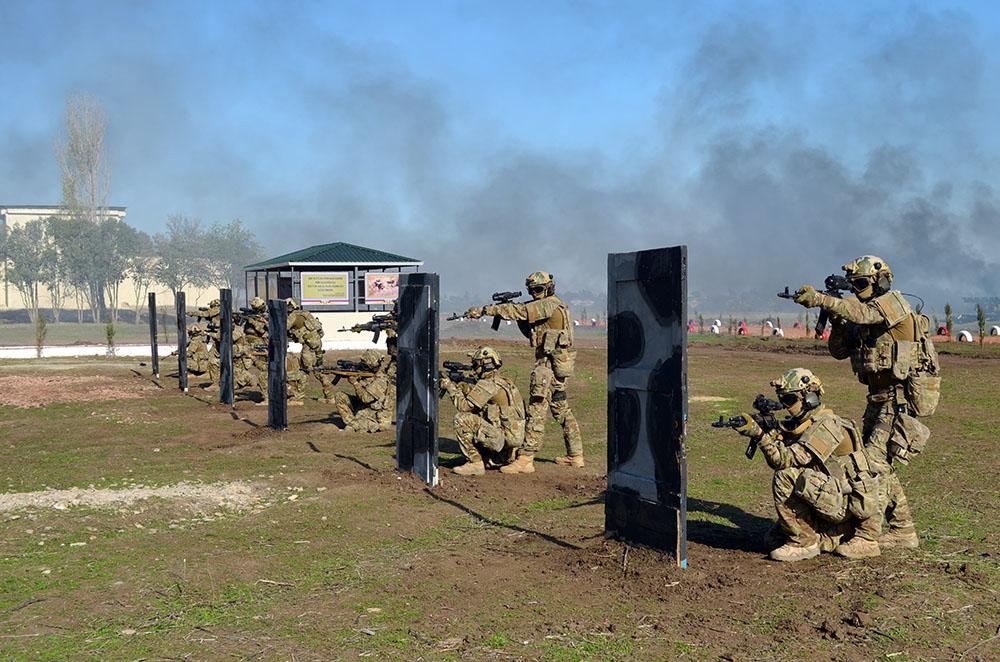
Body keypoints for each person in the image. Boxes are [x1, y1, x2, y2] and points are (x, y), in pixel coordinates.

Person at [792, 256, 939, 549]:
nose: (858, 290)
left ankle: (868, 535)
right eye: (854, 286)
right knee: (876, 464)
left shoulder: (892, 304)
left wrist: (823, 300)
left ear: (881, 281)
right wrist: (836, 320)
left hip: (897, 401)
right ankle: (903, 529)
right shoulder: (867, 316)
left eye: (862, 284)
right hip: (877, 399)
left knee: (871, 465)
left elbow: (860, 313)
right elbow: (839, 350)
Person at [730, 368, 882, 561]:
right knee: (773, 538)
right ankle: (824, 535)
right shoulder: (808, 423)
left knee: (785, 476)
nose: (786, 407)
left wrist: (759, 435)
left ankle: (804, 543)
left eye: (790, 400)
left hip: (847, 505)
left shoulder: (827, 426)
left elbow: (783, 461)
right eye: (783, 400)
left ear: (809, 397)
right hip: (834, 497)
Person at [465, 271, 582, 474]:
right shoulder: (550, 305)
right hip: (555, 367)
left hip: (548, 368)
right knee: (561, 410)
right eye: (532, 290)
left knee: (536, 410)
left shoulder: (550, 303)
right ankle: (576, 455)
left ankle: (526, 458)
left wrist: (485, 310)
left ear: (548, 288)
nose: (535, 294)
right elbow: (529, 327)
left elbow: (521, 311)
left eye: (538, 290)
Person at [440, 346, 526, 476]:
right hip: (508, 449)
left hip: (500, 443)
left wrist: (449, 387)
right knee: (476, 415)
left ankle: (475, 463)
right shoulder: (503, 381)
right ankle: (480, 459)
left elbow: (464, 406)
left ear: (484, 364)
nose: (474, 368)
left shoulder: (488, 384)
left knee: (462, 418)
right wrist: (464, 387)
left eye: (475, 364)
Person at [332, 349, 394, 432]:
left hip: (376, 416)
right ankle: (352, 421)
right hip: (363, 409)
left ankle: (355, 424)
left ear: (370, 366)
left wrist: (355, 383)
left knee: (349, 429)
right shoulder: (367, 375)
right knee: (340, 396)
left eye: (364, 365)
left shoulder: (381, 380)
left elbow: (366, 398)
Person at [285, 298, 334, 404]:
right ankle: (329, 397)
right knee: (318, 370)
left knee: (305, 370)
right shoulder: (305, 313)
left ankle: (298, 398)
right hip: (316, 343)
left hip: (308, 346)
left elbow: (284, 327)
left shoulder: (293, 316)